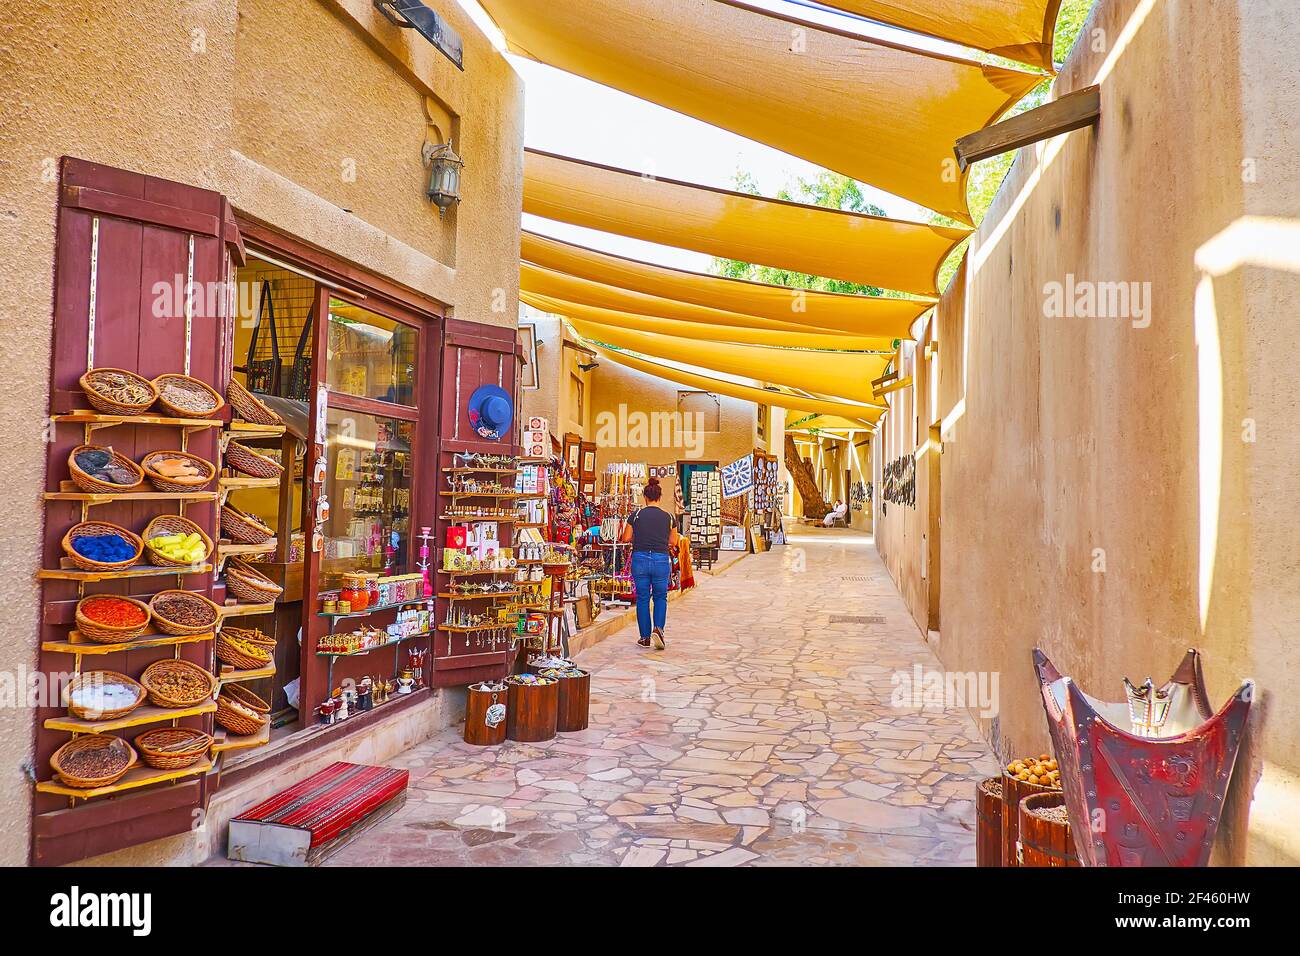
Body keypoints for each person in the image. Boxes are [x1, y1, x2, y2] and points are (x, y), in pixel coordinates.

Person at [620, 477, 679, 649]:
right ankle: (658, 630)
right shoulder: (669, 517)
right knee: (661, 597)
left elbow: (626, 537)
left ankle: (645, 637)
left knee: (643, 598)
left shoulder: (636, 515)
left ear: (645, 497)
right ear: (659, 497)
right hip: (661, 560)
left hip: (640, 559)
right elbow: (673, 541)